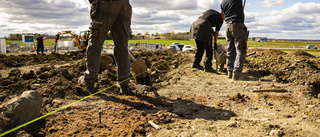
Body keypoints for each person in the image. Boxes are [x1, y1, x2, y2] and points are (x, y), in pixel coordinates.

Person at [82, 0, 133, 95]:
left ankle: (90, 81)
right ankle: (124, 85)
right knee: (122, 47)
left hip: (105, 4)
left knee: (95, 44)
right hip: (124, 6)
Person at [221, 0, 248, 80]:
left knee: (230, 50)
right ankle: (236, 74)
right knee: (240, 50)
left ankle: (230, 72)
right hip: (237, 25)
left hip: (228, 26)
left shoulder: (223, 2)